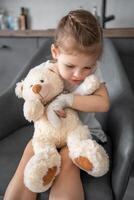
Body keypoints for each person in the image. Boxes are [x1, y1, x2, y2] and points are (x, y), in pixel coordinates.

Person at [4, 9, 110, 200]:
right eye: (70, 66)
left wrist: (67, 100)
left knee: (69, 161)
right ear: (56, 52)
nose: (79, 74)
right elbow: (31, 102)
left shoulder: (94, 72)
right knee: (30, 154)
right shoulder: (41, 74)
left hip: (82, 132)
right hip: (49, 133)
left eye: (88, 67)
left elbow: (103, 103)